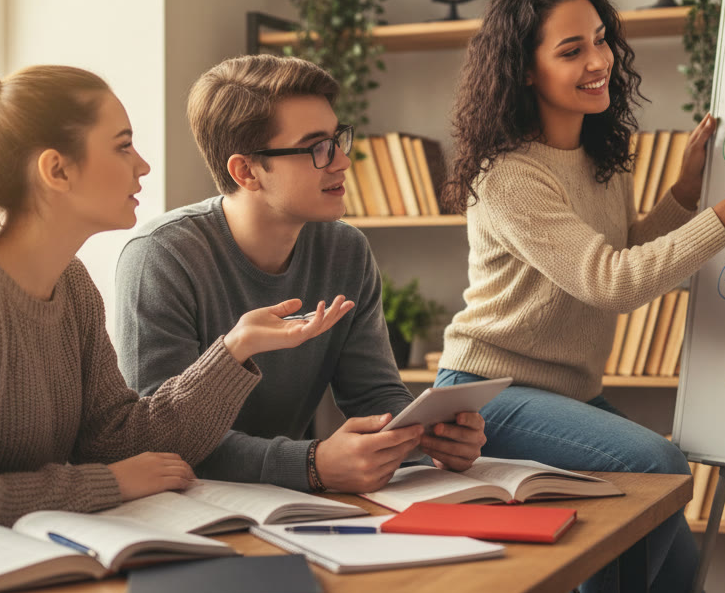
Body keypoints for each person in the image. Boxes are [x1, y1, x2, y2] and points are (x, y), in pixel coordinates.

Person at [0, 66, 352, 571]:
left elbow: (114, 435)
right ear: (57, 169)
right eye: (123, 147)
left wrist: (233, 352)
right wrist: (106, 484)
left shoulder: (71, 284)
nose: (144, 164)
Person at [434, 0, 725, 593]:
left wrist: (686, 194)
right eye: (572, 49)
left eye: (602, 40)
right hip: (485, 394)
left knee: (676, 571)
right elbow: (611, 283)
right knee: (655, 465)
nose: (599, 61)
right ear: (525, 71)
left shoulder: (598, 154)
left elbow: (623, 251)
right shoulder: (508, 176)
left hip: (568, 392)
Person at [114, 55, 485, 494]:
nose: (343, 161)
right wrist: (311, 463)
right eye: (317, 148)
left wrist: (427, 436)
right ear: (246, 171)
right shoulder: (161, 258)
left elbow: (374, 394)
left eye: (337, 139)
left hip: (289, 502)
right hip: (186, 508)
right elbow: (160, 443)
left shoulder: (345, 249)